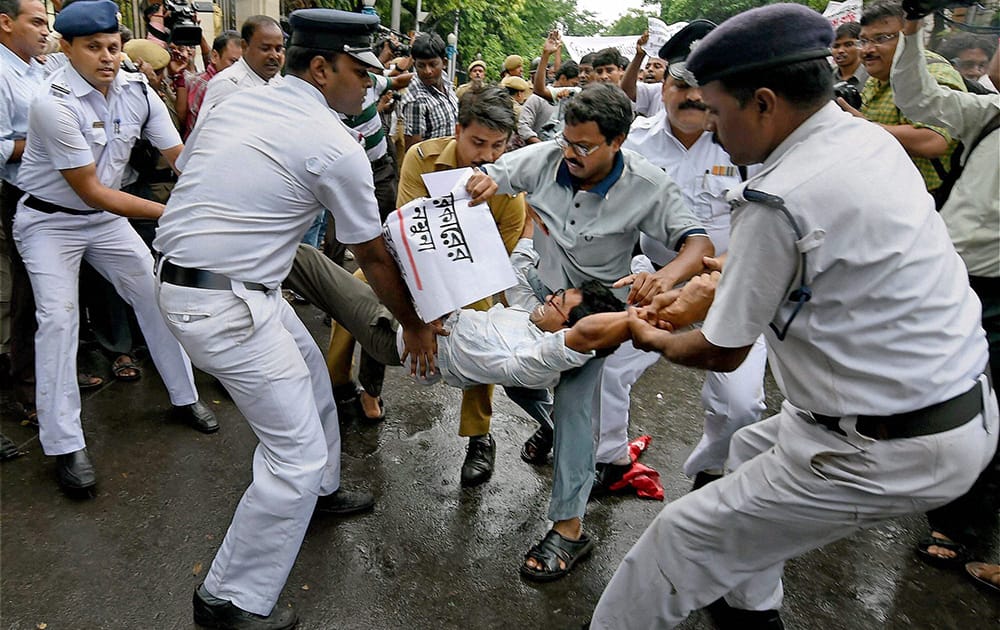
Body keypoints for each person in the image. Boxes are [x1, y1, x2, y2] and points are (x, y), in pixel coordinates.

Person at [588, 5, 996, 628]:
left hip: (887, 446)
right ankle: (752, 612)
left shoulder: (779, 197)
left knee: (679, 539)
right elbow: (803, 260)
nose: (715, 133)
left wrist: (642, 331)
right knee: (750, 449)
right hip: (952, 409)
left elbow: (721, 350)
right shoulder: (864, 141)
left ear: (765, 103)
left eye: (719, 113)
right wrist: (706, 277)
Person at [152, 9, 441, 628]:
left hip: (210, 285)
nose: (372, 84)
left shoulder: (236, 101)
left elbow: (194, 171)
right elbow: (370, 253)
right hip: (224, 305)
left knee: (311, 369)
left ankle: (323, 492)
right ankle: (229, 601)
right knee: (292, 457)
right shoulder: (334, 145)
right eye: (361, 72)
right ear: (321, 67)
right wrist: (414, 324)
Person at [478, 82, 711, 580]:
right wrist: (477, 184)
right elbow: (489, 176)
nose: (572, 154)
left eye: (585, 146)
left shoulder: (649, 185)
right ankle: (558, 431)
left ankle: (569, 530)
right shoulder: (544, 159)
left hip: (595, 308)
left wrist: (665, 277)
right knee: (507, 371)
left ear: (618, 142)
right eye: (567, 141)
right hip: (539, 291)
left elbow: (697, 241)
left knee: (576, 404)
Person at [12, 0, 217, 497]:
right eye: (93, 47)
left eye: (113, 45)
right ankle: (64, 444)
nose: (107, 56)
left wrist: (213, 194)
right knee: (58, 318)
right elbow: (92, 190)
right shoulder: (52, 102)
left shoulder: (136, 89)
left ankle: (183, 396)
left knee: (153, 293)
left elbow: (179, 156)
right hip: (49, 222)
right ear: (68, 48)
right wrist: (174, 213)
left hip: (103, 222)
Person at [588, 20, 768, 493]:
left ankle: (710, 471)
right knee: (607, 365)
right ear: (661, 85)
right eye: (680, 84)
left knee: (740, 404)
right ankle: (607, 458)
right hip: (653, 280)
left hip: (736, 284)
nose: (691, 97)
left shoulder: (750, 144)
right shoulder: (634, 142)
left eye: (701, 87)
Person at [327, 86, 525, 487]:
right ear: (458, 131)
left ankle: (479, 436)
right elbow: (408, 234)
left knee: (483, 335)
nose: (486, 155)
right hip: (408, 265)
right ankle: (339, 387)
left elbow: (491, 264)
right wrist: (420, 313)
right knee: (354, 290)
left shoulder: (511, 190)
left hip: (468, 283)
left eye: (498, 146)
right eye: (478, 143)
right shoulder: (421, 158)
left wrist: (447, 304)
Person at [890, 14, 1000, 575]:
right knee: (948, 398)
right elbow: (918, 94)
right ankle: (952, 524)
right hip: (953, 283)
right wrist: (911, 31)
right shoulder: (988, 114)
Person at [845, 0, 965, 199]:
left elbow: (933, 141)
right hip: (881, 195)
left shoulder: (931, 73)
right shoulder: (876, 78)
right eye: (863, 40)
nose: (867, 50)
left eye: (881, 38)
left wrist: (863, 127)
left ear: (909, 36)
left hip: (922, 202)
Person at [0, 0, 51, 422]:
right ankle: (29, 390)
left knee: (57, 296)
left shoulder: (37, 70)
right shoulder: (1, 74)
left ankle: (54, 379)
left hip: (56, 191)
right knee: (29, 293)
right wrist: (46, 141)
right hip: (19, 194)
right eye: (35, 22)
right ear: (5, 22)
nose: (43, 31)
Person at [197, 15, 285, 119]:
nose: (274, 55)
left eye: (278, 49)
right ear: (244, 46)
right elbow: (206, 132)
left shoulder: (281, 84)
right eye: (265, 48)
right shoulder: (227, 85)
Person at [399, 32, 458, 151]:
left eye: (433, 64)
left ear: (444, 63)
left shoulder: (445, 80)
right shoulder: (416, 101)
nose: (428, 71)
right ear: (415, 65)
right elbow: (413, 151)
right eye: (421, 66)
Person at [184, 29, 242, 136]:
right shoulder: (205, 86)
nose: (239, 68)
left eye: (243, 63)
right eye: (233, 62)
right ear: (215, 56)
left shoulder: (236, 83)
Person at [831, 22, 868, 86]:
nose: (840, 51)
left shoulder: (873, 75)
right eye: (836, 46)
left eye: (848, 45)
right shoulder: (825, 79)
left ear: (861, 45)